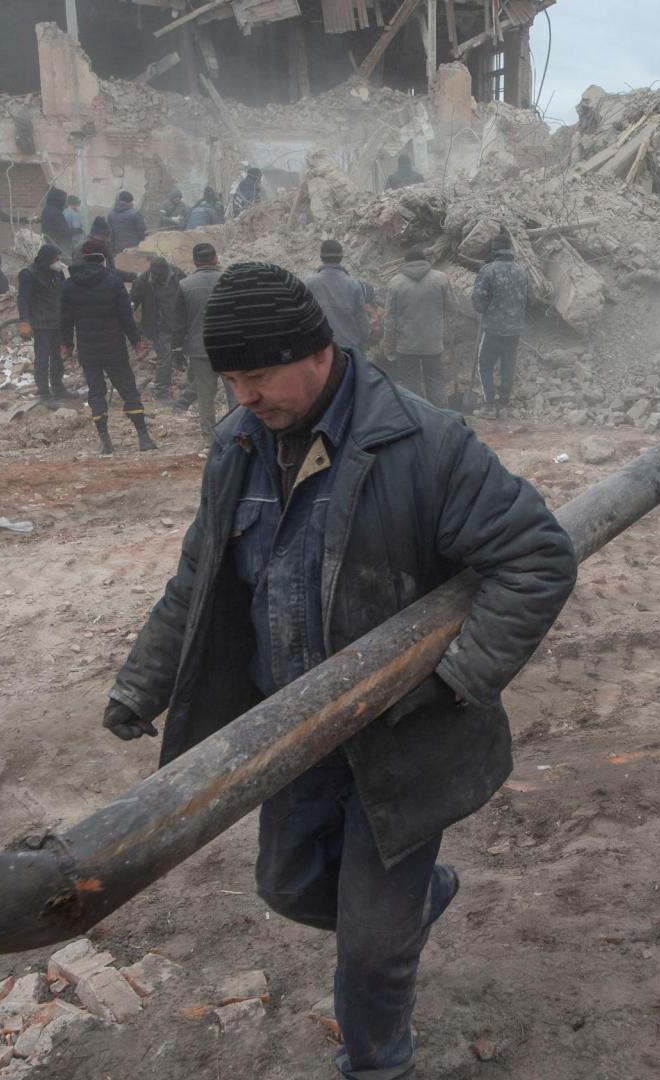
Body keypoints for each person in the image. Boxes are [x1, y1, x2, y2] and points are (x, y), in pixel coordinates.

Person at [101, 260, 577, 1080]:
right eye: (230, 380)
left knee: (370, 949)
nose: (242, 395)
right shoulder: (237, 445)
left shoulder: (424, 443)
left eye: (256, 375)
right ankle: (413, 909)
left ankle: (378, 1060)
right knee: (287, 888)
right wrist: (143, 682)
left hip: (401, 739)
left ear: (315, 350)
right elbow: (200, 578)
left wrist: (457, 680)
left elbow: (536, 556)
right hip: (290, 732)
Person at [61, 242, 157, 454]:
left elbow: (65, 320)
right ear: (102, 259)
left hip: (88, 349)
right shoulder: (113, 282)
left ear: (83, 259)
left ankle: (105, 442)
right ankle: (144, 438)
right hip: (114, 347)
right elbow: (126, 317)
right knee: (128, 390)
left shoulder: (69, 285)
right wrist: (136, 342)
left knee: (96, 392)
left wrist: (67, 345)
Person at [384, 248, 467, 406]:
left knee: (411, 382)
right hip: (433, 343)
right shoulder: (440, 278)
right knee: (435, 379)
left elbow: (389, 319)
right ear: (425, 261)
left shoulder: (395, 282)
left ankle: (419, 418)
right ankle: (441, 416)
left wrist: (389, 346)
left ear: (405, 263)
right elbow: (453, 307)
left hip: (406, 344)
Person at [169, 242, 230, 436]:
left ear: (195, 262)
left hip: (199, 349)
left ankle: (209, 437)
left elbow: (179, 323)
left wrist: (176, 349)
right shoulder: (229, 281)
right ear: (216, 258)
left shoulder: (184, 285)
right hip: (230, 349)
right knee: (236, 394)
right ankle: (238, 433)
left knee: (205, 395)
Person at [469, 232, 531, 417]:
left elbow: (478, 302)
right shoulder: (522, 271)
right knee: (508, 366)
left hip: (493, 329)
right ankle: (504, 407)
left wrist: (487, 307)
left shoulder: (488, 270)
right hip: (514, 330)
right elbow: (531, 299)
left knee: (484, 365)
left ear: (494, 249)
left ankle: (488, 406)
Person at [18, 243, 73, 405]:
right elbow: (23, 299)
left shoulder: (56, 273)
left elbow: (69, 288)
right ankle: (44, 393)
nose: (58, 261)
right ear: (46, 259)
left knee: (57, 357)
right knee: (42, 358)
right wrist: (24, 323)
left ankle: (58, 387)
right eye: (55, 259)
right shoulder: (29, 274)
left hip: (57, 321)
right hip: (40, 323)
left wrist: (66, 271)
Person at [303, 239, 377, 356]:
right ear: (341, 258)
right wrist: (365, 337)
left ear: (321, 258)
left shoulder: (308, 283)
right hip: (348, 350)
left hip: (320, 350)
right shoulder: (353, 284)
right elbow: (361, 318)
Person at [131, 255, 186, 395]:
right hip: (158, 327)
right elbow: (132, 302)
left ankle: (190, 390)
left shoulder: (177, 274)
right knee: (165, 358)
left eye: (158, 275)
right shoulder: (144, 280)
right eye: (153, 274)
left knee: (186, 356)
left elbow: (188, 294)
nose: (155, 278)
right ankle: (161, 391)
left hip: (179, 325)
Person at [109, 190, 147, 256]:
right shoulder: (135, 214)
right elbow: (142, 231)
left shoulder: (111, 215)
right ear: (130, 202)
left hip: (118, 249)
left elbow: (110, 235)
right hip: (134, 249)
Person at [40, 187, 76, 256]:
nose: (64, 203)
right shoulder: (56, 212)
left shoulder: (47, 209)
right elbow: (64, 232)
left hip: (50, 243)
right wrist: (75, 231)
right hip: (58, 246)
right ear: (58, 200)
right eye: (63, 200)